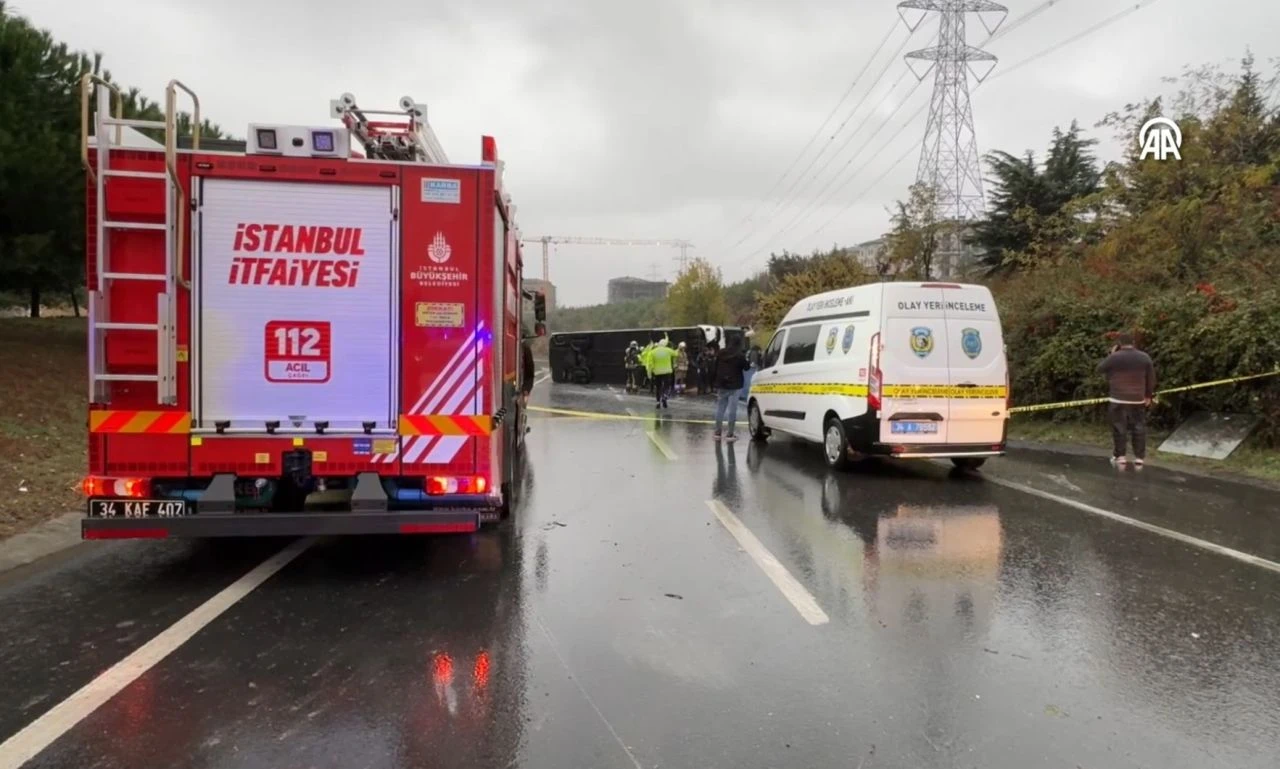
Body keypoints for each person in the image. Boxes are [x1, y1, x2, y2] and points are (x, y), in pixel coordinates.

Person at [1097, 332, 1156, 467]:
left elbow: (1099, 369)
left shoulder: (1115, 357)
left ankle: (1120, 456)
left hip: (1118, 398)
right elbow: (1151, 378)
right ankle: (1139, 457)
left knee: (1119, 426)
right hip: (1137, 398)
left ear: (1119, 344)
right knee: (1139, 426)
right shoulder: (1144, 357)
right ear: (1133, 343)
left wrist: (1111, 354)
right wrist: (1148, 395)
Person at [713, 337, 750, 441]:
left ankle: (717, 433)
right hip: (735, 385)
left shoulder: (720, 353)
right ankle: (730, 434)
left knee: (720, 408)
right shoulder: (739, 355)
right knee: (732, 409)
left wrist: (714, 382)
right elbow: (746, 367)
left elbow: (715, 368)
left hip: (721, 384)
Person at [648, 337, 678, 408]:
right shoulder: (668, 350)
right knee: (666, 386)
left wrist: (649, 373)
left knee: (658, 387)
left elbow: (650, 364)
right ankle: (664, 396)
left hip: (657, 372)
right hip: (667, 372)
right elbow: (676, 354)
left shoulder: (652, 352)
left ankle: (658, 402)